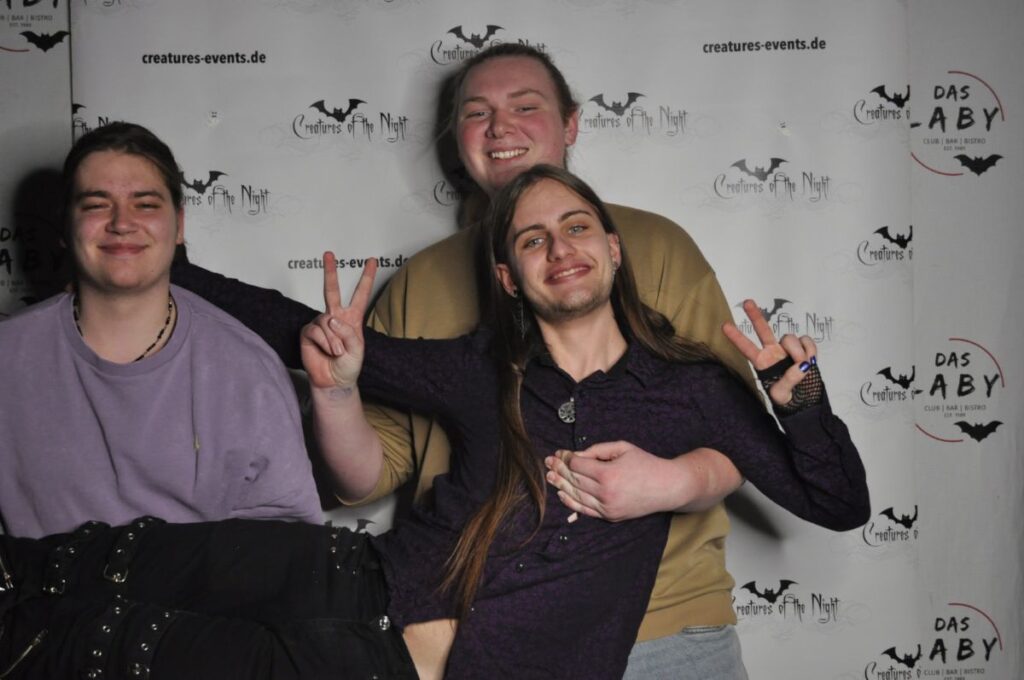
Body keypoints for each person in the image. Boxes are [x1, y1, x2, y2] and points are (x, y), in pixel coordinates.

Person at [0, 166, 869, 680]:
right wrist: (172, 266)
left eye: (576, 227)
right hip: (349, 580)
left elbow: (838, 504)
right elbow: (306, 328)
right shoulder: (480, 369)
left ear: (613, 249)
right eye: (532, 239)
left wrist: (798, 402)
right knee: (117, 558)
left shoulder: (692, 390)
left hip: (380, 665)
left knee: (101, 650)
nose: (560, 247)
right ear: (509, 279)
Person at [170, 43, 760, 677]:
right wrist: (335, 394)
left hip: (664, 629)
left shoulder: (657, 247)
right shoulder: (421, 281)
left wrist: (672, 482)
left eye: (525, 107)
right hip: (477, 636)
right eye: (477, 113)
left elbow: (744, 438)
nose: (500, 127)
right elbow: (369, 475)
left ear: (570, 124)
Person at [0, 122, 323, 538]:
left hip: (206, 585)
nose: (122, 223)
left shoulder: (247, 368)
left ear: (179, 225)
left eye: (146, 204)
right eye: (96, 204)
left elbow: (290, 550)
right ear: (65, 226)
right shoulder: (9, 358)